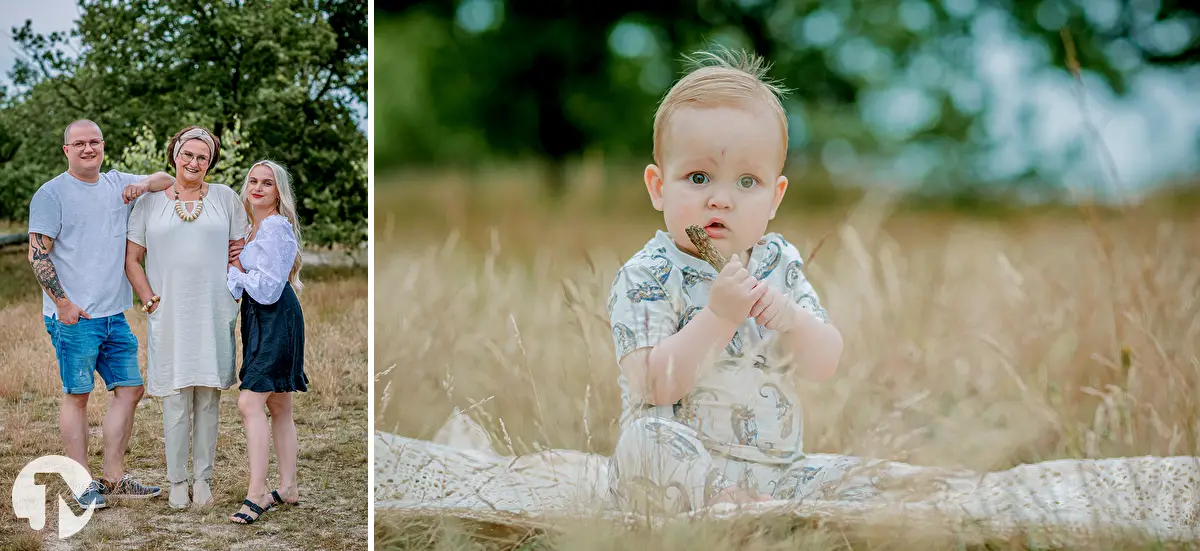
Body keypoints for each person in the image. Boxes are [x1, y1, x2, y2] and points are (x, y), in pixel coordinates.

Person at [605, 48, 852, 513]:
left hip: (779, 472)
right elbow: (655, 386)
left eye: (746, 182)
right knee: (644, 442)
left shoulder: (778, 262)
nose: (721, 199)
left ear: (775, 196)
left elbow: (824, 364)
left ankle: (768, 507)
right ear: (659, 187)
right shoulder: (647, 275)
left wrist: (793, 320)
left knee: (855, 477)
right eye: (699, 177)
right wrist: (718, 316)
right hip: (678, 477)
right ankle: (725, 506)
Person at [28, 119, 174, 509]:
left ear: (103, 145)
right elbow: (38, 255)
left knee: (131, 390)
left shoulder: (115, 182)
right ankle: (81, 482)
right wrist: (63, 304)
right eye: (79, 144)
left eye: (95, 142)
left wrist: (141, 185)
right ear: (66, 150)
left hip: (114, 314)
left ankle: (113, 478)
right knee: (77, 396)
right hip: (74, 317)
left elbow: (165, 178)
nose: (88, 148)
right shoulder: (51, 194)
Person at [125, 125, 248, 509]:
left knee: (209, 397)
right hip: (170, 311)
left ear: (210, 162)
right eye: (188, 155)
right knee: (176, 398)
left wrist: (231, 289)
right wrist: (148, 298)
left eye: (203, 157)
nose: (194, 162)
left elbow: (239, 249)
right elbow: (132, 260)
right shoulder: (149, 203)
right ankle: (177, 481)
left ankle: (203, 480)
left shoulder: (226, 199)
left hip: (213, 310)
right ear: (174, 155)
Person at [225, 160, 308, 524]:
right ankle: (288, 487)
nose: (257, 188)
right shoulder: (252, 228)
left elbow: (270, 288)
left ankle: (257, 492)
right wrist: (237, 271)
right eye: (253, 181)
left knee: (249, 402)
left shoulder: (275, 228)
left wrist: (237, 271)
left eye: (267, 183)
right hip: (260, 318)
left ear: (278, 193)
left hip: (276, 317)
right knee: (278, 406)